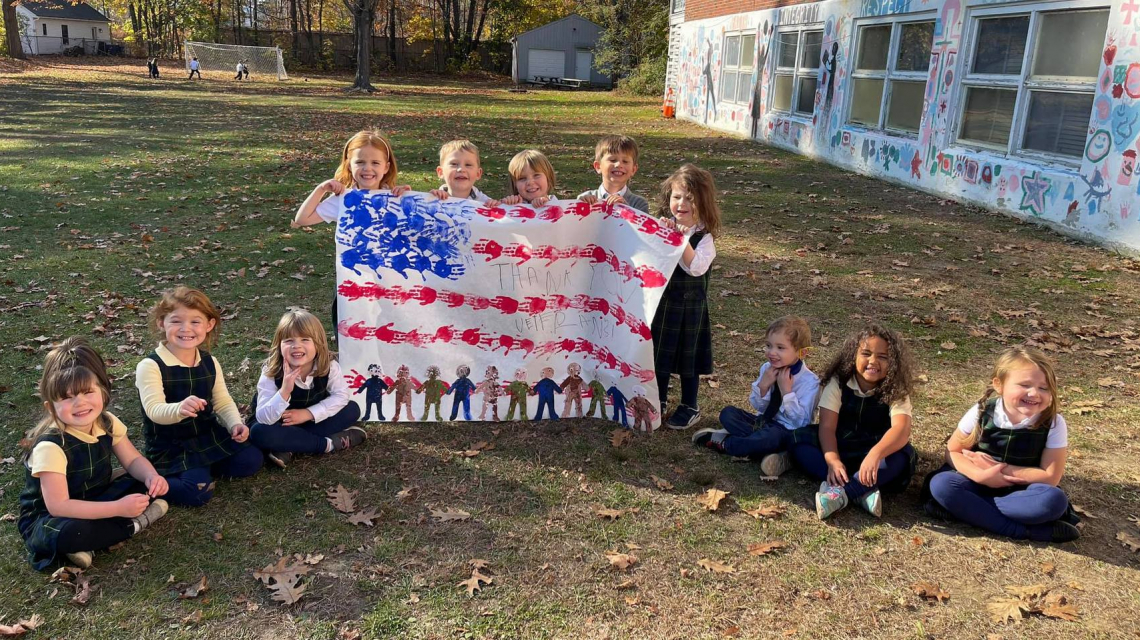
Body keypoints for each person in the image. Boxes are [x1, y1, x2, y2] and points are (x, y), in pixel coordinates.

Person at [18, 338, 169, 571]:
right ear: (51, 407)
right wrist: (119, 508)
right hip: (53, 517)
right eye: (67, 397)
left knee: (143, 483)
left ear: (103, 391)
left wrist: (151, 477)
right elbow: (59, 505)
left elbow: (133, 460)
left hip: (94, 496)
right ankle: (134, 524)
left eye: (88, 392)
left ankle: (92, 541)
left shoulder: (107, 423)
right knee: (73, 533)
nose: (80, 403)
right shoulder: (51, 446)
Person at [923, 346, 1080, 542]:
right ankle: (1023, 531)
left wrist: (1000, 471)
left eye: (1044, 388)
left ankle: (967, 510)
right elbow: (953, 451)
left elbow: (1050, 477)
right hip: (974, 483)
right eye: (1024, 385)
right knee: (941, 485)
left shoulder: (1053, 423)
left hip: (1019, 493)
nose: (1034, 393)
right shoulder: (981, 412)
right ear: (999, 385)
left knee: (1053, 501)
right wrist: (981, 475)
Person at [135, 287, 263, 506]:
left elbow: (222, 401)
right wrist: (179, 409)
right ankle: (147, 481)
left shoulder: (209, 361)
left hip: (206, 434)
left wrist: (234, 424)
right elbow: (154, 410)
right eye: (176, 321)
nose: (186, 329)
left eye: (195, 322)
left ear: (209, 325)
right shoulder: (150, 366)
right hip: (171, 443)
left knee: (252, 460)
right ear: (161, 323)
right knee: (195, 492)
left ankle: (201, 468)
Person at [291, 129, 411, 340]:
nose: (367, 168)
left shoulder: (396, 197)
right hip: (352, 287)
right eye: (360, 162)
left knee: (388, 341)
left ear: (386, 167)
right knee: (352, 343)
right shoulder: (345, 199)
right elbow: (302, 219)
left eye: (375, 163)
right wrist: (321, 189)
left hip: (391, 287)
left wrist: (412, 199)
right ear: (349, 164)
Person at [789, 324, 918, 519]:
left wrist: (875, 454)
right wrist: (832, 460)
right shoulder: (839, 382)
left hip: (875, 450)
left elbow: (901, 429)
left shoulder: (896, 388)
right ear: (853, 356)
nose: (873, 361)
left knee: (902, 457)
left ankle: (842, 493)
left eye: (883, 357)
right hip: (841, 444)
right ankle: (861, 490)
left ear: (893, 363)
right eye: (866, 353)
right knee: (798, 441)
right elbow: (827, 427)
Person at [693, 316, 819, 477]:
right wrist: (764, 385)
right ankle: (768, 452)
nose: (771, 352)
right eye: (768, 345)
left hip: (786, 431)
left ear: (802, 352)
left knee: (771, 437)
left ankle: (726, 443)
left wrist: (787, 392)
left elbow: (800, 421)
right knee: (728, 414)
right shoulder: (767, 368)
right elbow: (758, 407)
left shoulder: (810, 382)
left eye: (780, 348)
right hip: (762, 422)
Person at [650, 164, 722, 429]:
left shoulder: (704, 238)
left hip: (690, 310)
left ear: (703, 203)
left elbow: (695, 267)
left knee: (688, 360)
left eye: (690, 199)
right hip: (664, 305)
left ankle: (689, 405)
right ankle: (657, 400)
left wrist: (679, 240)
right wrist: (661, 234)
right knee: (659, 355)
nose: (681, 204)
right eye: (676, 196)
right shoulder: (665, 226)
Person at [248, 309, 364, 469]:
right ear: (279, 345)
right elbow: (263, 418)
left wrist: (308, 414)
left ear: (318, 343)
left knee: (352, 410)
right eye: (289, 340)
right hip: (280, 424)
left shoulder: (328, 366)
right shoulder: (272, 371)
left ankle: (290, 446)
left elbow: (340, 396)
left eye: (305, 339)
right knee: (259, 432)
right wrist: (284, 391)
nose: (297, 346)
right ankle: (326, 444)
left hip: (312, 420)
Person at [577, 135, 649, 212]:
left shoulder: (639, 204)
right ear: (598, 166)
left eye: (625, 161)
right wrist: (580, 207)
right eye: (613, 160)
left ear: (633, 170)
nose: (619, 165)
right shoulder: (585, 198)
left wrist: (626, 209)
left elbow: (640, 223)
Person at [430, 139, 500, 205]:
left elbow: (505, 215)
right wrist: (428, 199)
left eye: (468, 165)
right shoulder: (433, 199)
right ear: (441, 172)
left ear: (478, 174)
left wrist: (506, 204)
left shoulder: (486, 203)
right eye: (454, 164)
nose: (461, 169)